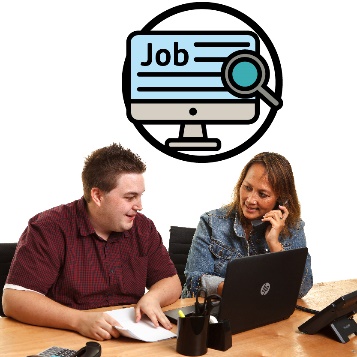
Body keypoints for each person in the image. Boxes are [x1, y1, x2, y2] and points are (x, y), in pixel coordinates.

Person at [2, 143, 181, 341]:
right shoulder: (49, 228)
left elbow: (171, 281)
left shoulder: (143, 228)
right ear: (97, 196)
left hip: (132, 338)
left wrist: (152, 297)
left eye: (140, 196)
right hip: (68, 338)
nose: (139, 206)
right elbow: (14, 299)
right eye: (130, 197)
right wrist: (79, 321)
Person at [181, 152, 313, 299]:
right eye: (247, 188)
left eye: (262, 194)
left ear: (281, 200)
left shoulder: (293, 228)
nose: (250, 200)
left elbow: (302, 289)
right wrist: (240, 290)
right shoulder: (211, 222)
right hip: (215, 312)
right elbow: (194, 281)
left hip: (264, 315)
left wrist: (275, 245)